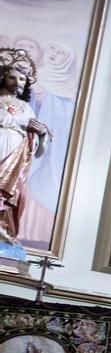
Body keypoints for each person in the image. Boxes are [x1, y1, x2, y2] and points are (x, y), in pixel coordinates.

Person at [0, 53, 51, 242]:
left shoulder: (26, 108)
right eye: (12, 77)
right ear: (3, 78)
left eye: (22, 79)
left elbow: (38, 151)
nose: (17, 82)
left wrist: (42, 134)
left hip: (14, 157)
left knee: (6, 195)